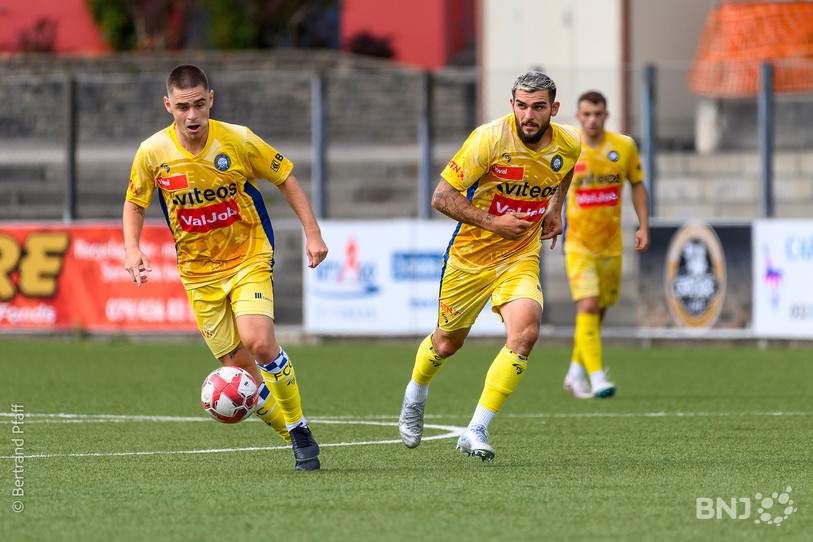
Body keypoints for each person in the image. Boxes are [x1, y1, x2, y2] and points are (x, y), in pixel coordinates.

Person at [123, 64, 328, 470]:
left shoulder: (237, 140)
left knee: (259, 342)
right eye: (183, 107)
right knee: (241, 371)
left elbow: (285, 176)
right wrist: (132, 248)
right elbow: (135, 202)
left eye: (200, 104)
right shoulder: (152, 153)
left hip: (248, 255)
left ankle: (300, 429)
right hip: (199, 275)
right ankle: (294, 433)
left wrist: (312, 232)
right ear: (169, 106)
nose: (193, 115)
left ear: (211, 99)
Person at [398, 71, 581, 462]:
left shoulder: (570, 142)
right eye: (521, 105)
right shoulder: (489, 139)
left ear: (554, 109)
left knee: (526, 333)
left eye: (538, 107)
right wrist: (493, 222)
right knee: (447, 343)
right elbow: (441, 197)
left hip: (520, 254)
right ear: (511, 104)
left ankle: (476, 429)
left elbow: (562, 170)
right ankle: (415, 392)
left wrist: (555, 209)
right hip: (470, 257)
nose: (528, 115)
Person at [561, 90, 650, 399]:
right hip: (578, 244)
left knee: (597, 312)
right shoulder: (570, 147)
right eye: (586, 114)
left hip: (611, 246)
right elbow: (553, 187)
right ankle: (597, 377)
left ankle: (574, 374)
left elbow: (637, 184)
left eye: (598, 114)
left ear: (607, 115)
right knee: (587, 304)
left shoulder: (623, 146)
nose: (592, 119)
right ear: (578, 116)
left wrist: (643, 225)